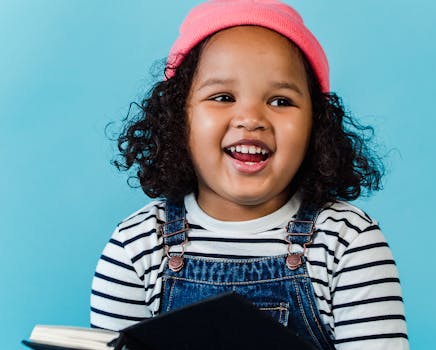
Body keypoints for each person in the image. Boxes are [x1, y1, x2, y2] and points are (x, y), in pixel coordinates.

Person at [90, 1, 409, 349]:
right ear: (178, 118)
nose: (251, 117)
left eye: (281, 101)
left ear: (316, 127)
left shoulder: (348, 243)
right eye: (223, 96)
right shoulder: (137, 245)